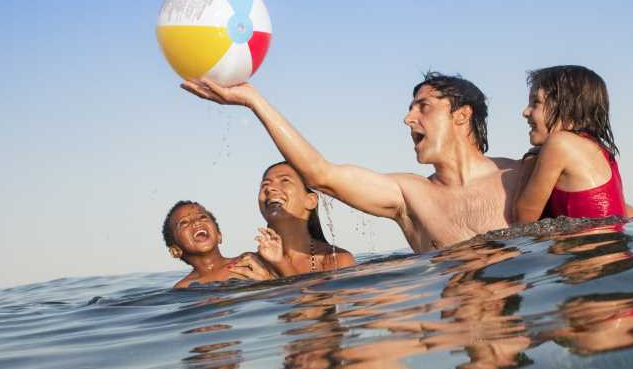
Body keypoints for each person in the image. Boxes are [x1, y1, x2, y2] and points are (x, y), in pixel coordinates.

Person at [181, 72, 526, 252]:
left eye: (423, 107)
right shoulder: (409, 194)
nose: (408, 119)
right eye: (410, 109)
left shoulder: (520, 175)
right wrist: (253, 100)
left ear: (462, 115)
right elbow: (320, 174)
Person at [514, 65, 633, 223]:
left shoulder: (560, 143)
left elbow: (523, 218)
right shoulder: (600, 150)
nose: (525, 112)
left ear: (568, 109)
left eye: (536, 102)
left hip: (590, 239)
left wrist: (530, 159)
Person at [239, 161, 356, 277]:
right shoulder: (248, 264)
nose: (269, 188)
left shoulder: (336, 260)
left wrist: (280, 267)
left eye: (285, 180)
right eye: (265, 184)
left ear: (310, 201)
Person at [162, 200, 243, 288]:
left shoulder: (245, 262)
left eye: (202, 217)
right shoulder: (182, 287)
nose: (197, 222)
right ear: (175, 251)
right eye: (184, 222)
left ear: (219, 235)